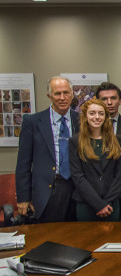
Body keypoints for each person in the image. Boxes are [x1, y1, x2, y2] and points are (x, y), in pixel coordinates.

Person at [16, 76, 80, 223]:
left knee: (78, 238)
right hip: (48, 190)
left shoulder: (82, 121)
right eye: (57, 94)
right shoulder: (33, 122)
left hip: (77, 190)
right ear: (49, 96)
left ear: (72, 94)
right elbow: (23, 164)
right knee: (50, 239)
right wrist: (23, 197)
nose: (62, 98)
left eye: (66, 93)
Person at [70, 98, 121, 221]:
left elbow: (120, 176)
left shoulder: (117, 141)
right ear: (85, 116)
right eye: (92, 113)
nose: (97, 117)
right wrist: (99, 204)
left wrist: (107, 203)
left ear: (106, 117)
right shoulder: (75, 141)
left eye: (101, 113)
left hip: (111, 204)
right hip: (86, 204)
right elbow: (78, 177)